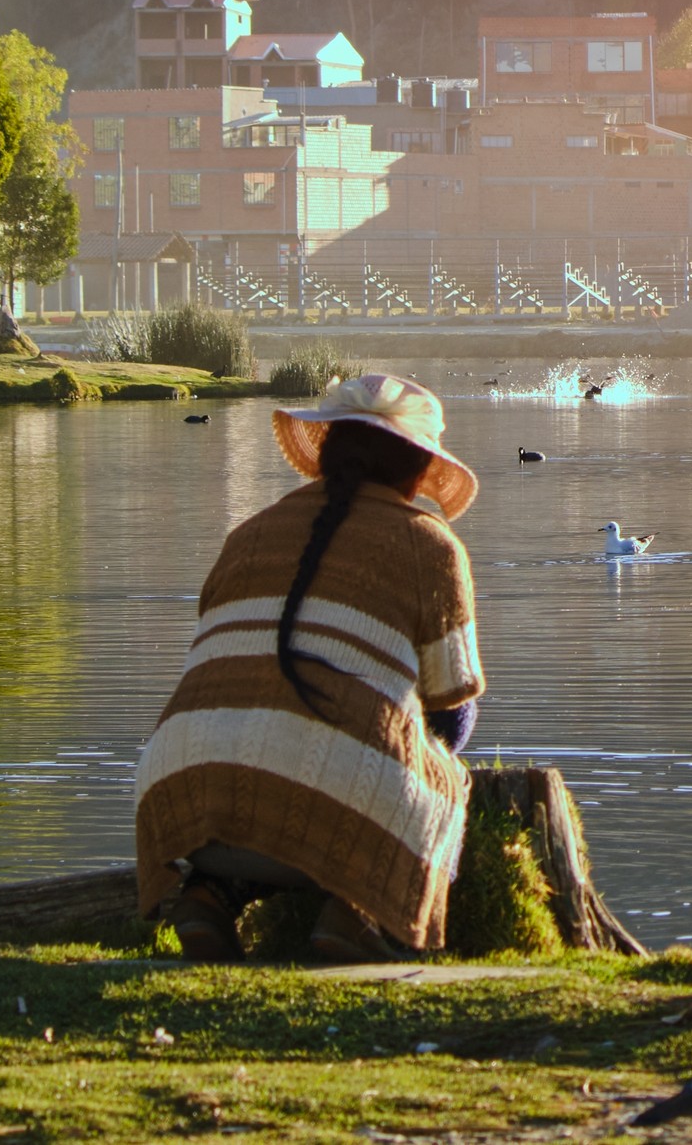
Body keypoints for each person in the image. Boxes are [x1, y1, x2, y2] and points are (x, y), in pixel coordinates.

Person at [134, 370, 483, 962]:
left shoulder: (249, 533)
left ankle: (209, 895)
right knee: (445, 777)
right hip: (321, 806)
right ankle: (357, 913)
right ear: (421, 471)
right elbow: (452, 713)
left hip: (182, 797)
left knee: (268, 739)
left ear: (325, 453)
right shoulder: (430, 545)